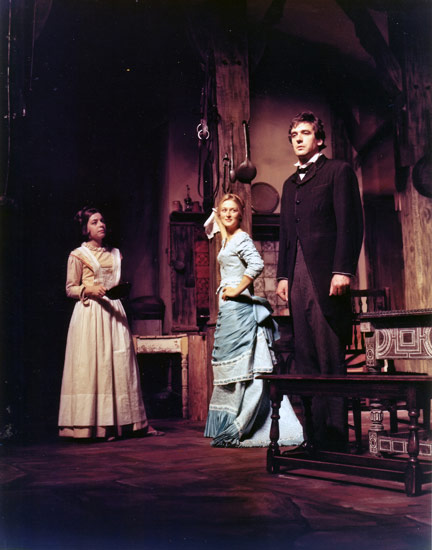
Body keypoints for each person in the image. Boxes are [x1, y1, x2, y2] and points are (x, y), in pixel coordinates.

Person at [276, 111, 364, 452]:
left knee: (329, 357)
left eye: (305, 133)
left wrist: (343, 269)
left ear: (320, 139)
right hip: (297, 276)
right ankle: (313, 439)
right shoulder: (289, 184)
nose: (298, 139)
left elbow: (350, 224)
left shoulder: (338, 171)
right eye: (294, 134)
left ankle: (336, 439)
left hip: (327, 276)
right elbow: (286, 235)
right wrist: (283, 276)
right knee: (306, 358)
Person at [204, 193, 303, 447]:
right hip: (229, 311)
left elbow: (257, 264)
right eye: (224, 210)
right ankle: (231, 419)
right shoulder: (226, 240)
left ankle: (242, 423)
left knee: (245, 367)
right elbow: (214, 227)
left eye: (233, 210)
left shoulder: (241, 238)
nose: (227, 214)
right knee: (231, 367)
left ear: (241, 214)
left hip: (240, 309)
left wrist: (237, 290)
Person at [58, 206, 162, 440]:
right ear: (85, 229)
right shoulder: (78, 255)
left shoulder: (116, 254)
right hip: (90, 313)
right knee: (94, 366)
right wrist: (89, 289)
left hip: (114, 312)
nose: (101, 225)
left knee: (120, 364)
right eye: (94, 222)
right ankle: (96, 427)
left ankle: (129, 424)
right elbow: (70, 288)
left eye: (102, 220)